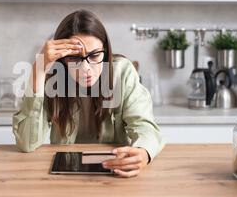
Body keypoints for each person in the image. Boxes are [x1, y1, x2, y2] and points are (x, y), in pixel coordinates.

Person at [12, 9, 165, 177]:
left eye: (94, 56)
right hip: (65, 174)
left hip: (115, 173)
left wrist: (143, 152)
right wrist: (39, 68)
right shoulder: (52, 77)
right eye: (75, 58)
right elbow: (26, 143)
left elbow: (145, 127)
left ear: (105, 51)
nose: (86, 69)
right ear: (62, 59)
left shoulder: (123, 72)